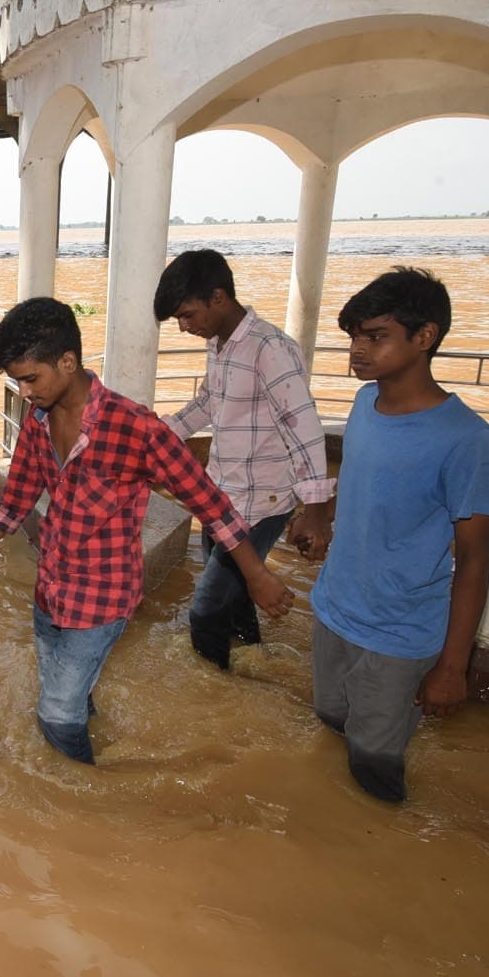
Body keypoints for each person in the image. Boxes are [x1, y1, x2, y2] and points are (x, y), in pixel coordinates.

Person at [0, 297, 294, 764]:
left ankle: (80, 799)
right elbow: (18, 495)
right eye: (15, 380)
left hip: (101, 598)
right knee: (64, 688)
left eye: (30, 378)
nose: (23, 390)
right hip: (51, 588)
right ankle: (87, 726)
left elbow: (210, 504)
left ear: (68, 361)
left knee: (56, 713)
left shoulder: (136, 428)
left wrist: (256, 575)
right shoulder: (37, 421)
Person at [311, 267, 489, 803]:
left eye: (375, 337)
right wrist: (321, 517)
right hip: (334, 609)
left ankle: (375, 855)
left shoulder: (466, 440)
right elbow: (362, 485)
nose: (357, 351)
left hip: (399, 634)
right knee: (329, 721)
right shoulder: (363, 405)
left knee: (375, 764)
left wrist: (452, 667)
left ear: (425, 337)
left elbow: (475, 561)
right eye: (353, 337)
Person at [153, 249, 332, 669]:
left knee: (205, 611)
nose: (185, 327)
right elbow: (207, 404)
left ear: (218, 298)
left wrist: (317, 511)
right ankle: (253, 664)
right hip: (220, 497)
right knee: (234, 601)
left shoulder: (269, 349)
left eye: (188, 315)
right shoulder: (219, 346)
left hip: (262, 505)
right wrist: (156, 438)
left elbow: (304, 428)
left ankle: (213, 694)